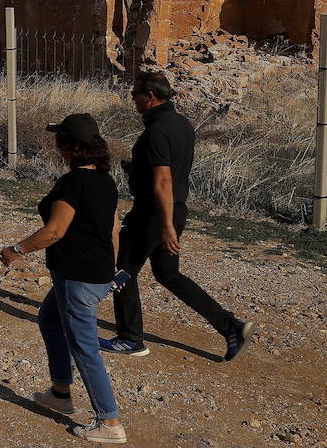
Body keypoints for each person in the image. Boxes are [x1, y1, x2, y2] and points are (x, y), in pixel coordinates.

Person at [101, 71, 254, 361]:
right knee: (168, 273)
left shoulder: (156, 131)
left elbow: (163, 181)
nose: (132, 99)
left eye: (134, 94)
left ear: (149, 97)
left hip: (155, 213)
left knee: (122, 267)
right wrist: (137, 170)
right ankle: (230, 326)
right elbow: (168, 170)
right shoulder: (181, 124)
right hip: (173, 208)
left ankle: (130, 338)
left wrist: (166, 225)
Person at [1, 113, 125, 444]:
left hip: (77, 278)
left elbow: (54, 232)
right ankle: (59, 393)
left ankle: (109, 422)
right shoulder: (104, 179)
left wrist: (17, 249)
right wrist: (110, 270)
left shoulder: (73, 184)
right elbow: (114, 229)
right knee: (50, 322)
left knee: (85, 348)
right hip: (92, 274)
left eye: (59, 139)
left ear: (68, 147)